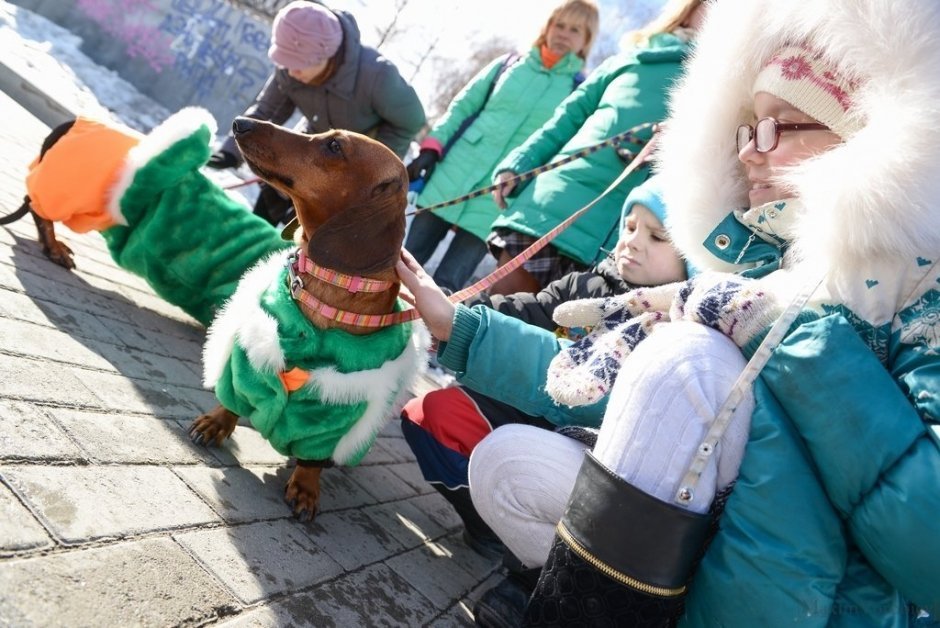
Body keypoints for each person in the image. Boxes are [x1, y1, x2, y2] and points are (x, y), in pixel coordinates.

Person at [464, 0, 940, 625]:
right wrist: (461, 333)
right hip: (711, 547)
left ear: (864, 145)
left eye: (783, 126)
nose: (749, 152)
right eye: (749, 128)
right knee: (506, 466)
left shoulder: (920, 298)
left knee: (687, 358)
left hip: (818, 602)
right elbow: (619, 392)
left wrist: (785, 335)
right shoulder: (754, 264)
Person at [397, 175, 693, 624]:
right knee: (428, 414)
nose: (633, 242)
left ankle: (533, 576)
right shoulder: (585, 287)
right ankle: (491, 526)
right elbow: (520, 310)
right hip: (528, 420)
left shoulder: (676, 335)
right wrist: (451, 309)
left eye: (657, 236)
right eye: (629, 226)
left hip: (594, 465)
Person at [483, 0, 706, 296]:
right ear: (687, 9)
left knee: (552, 340)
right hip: (551, 209)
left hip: (623, 244)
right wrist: (520, 164)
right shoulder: (631, 59)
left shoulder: (730, 87)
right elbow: (565, 121)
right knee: (487, 318)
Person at [403, 0, 599, 294]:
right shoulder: (508, 65)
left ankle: (424, 338)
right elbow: (463, 107)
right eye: (559, 24)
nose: (564, 33)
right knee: (404, 263)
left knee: (446, 287)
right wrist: (432, 147)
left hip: (500, 198)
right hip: (452, 175)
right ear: (547, 26)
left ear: (586, 41)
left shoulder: (577, 91)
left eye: (575, 29)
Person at [206, 0, 426, 225]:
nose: (290, 71)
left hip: (340, 171)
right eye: (285, 62)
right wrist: (232, 150)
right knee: (263, 216)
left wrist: (369, 172)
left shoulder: (377, 76)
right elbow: (268, 110)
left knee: (307, 240)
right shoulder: (291, 66)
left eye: (297, 64)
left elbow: (410, 121)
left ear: (325, 55)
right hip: (303, 149)